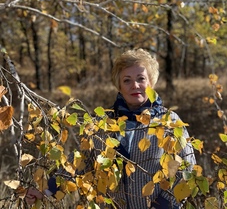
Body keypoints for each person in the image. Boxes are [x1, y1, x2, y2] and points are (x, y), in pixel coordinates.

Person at [25, 48, 196, 208]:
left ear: (151, 82)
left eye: (141, 79)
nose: (135, 85)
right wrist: (45, 191)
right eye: (127, 80)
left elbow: (187, 170)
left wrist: (162, 206)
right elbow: (78, 162)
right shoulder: (102, 124)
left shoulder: (169, 121)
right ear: (119, 86)